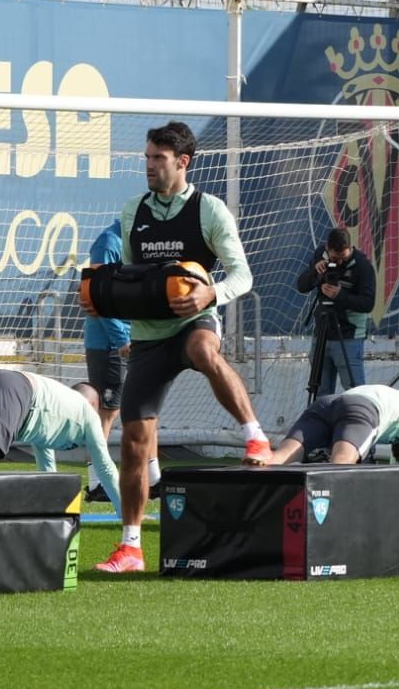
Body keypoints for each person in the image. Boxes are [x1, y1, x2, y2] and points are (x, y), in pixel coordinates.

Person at [83, 121, 269, 573]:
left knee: (205, 351)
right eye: (147, 157)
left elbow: (242, 276)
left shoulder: (211, 210)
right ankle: (131, 548)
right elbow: (132, 279)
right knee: (132, 442)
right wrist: (104, 301)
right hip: (149, 336)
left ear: (182, 162)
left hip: (194, 321)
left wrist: (211, 295)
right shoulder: (133, 211)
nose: (148, 165)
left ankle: (255, 437)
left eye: (157, 158)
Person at [0, 370, 122, 514]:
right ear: (92, 405)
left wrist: (53, 506)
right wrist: (125, 512)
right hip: (17, 387)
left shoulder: (55, 406)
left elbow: (47, 465)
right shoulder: (88, 413)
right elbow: (104, 466)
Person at [82, 218, 140, 502]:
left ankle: (151, 479)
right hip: (108, 343)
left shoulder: (132, 242)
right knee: (105, 413)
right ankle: (97, 484)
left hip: (124, 338)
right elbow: (100, 299)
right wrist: (121, 340)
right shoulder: (109, 243)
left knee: (120, 410)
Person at [256, 383, 399, 466]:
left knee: (280, 458)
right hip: (361, 410)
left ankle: (259, 464)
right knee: (340, 464)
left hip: (327, 404)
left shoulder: (389, 395)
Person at [294, 227, 377, 396]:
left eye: (343, 258)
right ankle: (323, 422)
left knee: (356, 393)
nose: (339, 263)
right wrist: (314, 273)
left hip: (348, 336)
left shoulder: (362, 266)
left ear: (351, 249)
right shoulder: (320, 256)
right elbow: (301, 286)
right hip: (322, 333)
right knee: (320, 392)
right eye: (335, 258)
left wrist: (340, 295)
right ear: (327, 249)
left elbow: (368, 304)